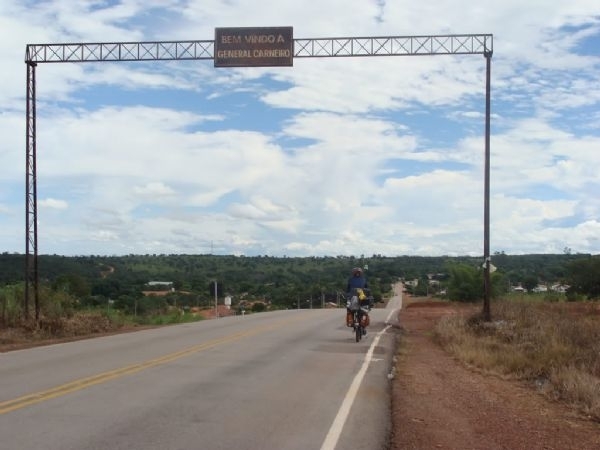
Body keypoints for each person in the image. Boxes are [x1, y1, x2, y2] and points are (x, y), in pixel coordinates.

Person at [345, 267, 371, 334]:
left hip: (361, 297)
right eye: (356, 272)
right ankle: (352, 322)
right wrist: (347, 295)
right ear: (353, 273)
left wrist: (368, 294)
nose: (357, 273)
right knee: (350, 310)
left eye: (358, 272)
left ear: (360, 273)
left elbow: (367, 289)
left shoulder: (363, 279)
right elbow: (348, 289)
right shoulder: (351, 280)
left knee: (364, 311)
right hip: (353, 297)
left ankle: (364, 326)